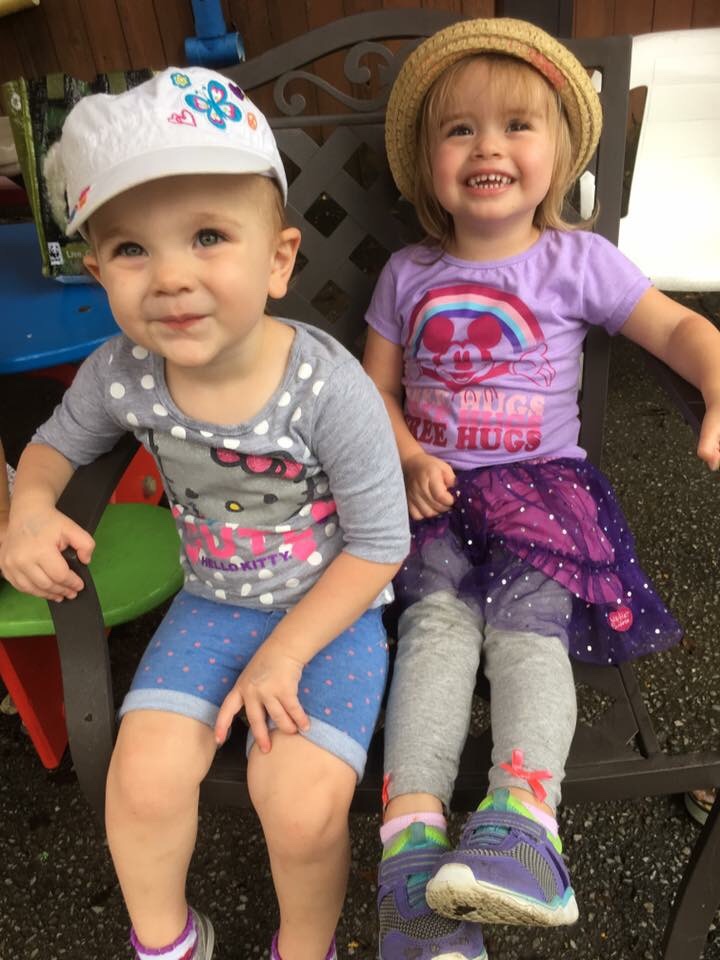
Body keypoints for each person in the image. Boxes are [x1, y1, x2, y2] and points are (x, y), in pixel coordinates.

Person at [0, 67, 410, 960]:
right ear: (97, 271)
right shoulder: (121, 373)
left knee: (298, 805)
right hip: (213, 605)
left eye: (209, 236)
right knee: (140, 784)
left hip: (329, 616)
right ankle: (168, 944)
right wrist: (27, 507)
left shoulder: (328, 386)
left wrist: (286, 652)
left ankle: (305, 949)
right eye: (131, 249)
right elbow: (54, 443)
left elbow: (383, 543)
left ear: (279, 259)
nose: (172, 277)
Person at [362, 18, 720, 960]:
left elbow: (678, 330)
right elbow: (374, 390)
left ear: (558, 155)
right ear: (429, 163)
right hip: (435, 494)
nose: (488, 147)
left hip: (539, 497)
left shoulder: (577, 260)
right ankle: (411, 854)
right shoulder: (408, 273)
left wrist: (718, 377)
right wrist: (406, 455)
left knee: (527, 633)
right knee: (435, 634)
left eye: (517, 126)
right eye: (460, 130)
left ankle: (524, 828)